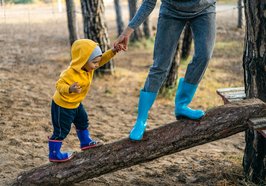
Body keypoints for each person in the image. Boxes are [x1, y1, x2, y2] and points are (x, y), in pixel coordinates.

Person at [114, 0, 216, 141]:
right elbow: (148, 3)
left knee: (204, 56)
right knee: (160, 65)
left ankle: (182, 105)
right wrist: (127, 32)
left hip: (204, 9)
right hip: (171, 11)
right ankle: (141, 120)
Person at [49, 39, 121, 162]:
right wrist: (69, 89)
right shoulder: (69, 73)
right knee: (62, 130)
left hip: (76, 103)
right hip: (63, 106)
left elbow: (101, 59)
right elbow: (58, 85)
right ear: (83, 60)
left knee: (83, 121)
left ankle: (85, 142)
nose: (97, 65)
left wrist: (113, 51)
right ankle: (54, 154)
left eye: (97, 62)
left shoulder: (89, 67)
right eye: (94, 62)